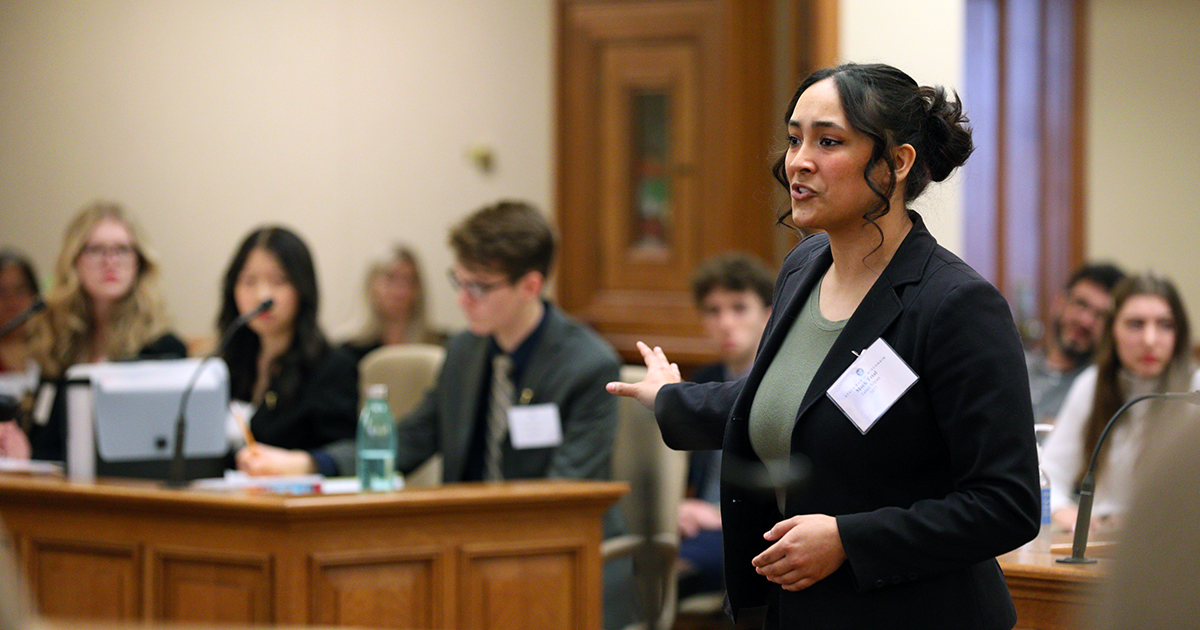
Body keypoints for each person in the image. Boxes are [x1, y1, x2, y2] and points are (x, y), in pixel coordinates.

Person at [609, 62, 1040, 629]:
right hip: (802, 610)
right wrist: (670, 398)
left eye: (828, 141)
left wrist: (848, 539)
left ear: (898, 163)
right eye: (794, 139)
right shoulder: (804, 267)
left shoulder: (955, 306)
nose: (799, 161)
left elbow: (1006, 505)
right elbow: (791, 403)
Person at [326, 200, 632, 629]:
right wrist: (315, 464)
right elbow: (412, 438)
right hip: (468, 558)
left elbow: (566, 495)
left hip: (559, 562)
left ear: (530, 285)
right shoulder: (465, 351)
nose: (462, 299)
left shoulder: (587, 365)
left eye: (480, 287)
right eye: (459, 281)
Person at [17, 202, 187, 462]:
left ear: (140, 262)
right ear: (74, 261)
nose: (110, 262)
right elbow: (42, 439)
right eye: (96, 250)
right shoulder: (60, 341)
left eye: (122, 250)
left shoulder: (162, 348)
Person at [1042, 273, 1198, 535]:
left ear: (1179, 333)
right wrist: (1063, 511)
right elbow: (1047, 475)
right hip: (1104, 542)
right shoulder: (1092, 385)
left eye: (1165, 325)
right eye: (1136, 324)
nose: (1150, 339)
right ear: (1112, 330)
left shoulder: (1196, 387)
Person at [218, 226, 359, 477]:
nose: (263, 296)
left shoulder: (333, 368)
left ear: (302, 288)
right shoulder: (223, 365)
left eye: (279, 281)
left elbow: (347, 454)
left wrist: (303, 463)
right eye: (249, 281)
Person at [678, 253, 774, 601]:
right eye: (713, 311)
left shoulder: (781, 386)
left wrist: (715, 516)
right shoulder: (704, 380)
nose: (725, 323)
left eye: (738, 308)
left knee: (666, 574)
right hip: (698, 526)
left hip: (754, 532)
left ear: (767, 314)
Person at [1026, 263, 1125, 424]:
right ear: (1059, 302)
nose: (1085, 321)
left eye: (1100, 315)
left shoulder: (1102, 389)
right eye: (1081, 304)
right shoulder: (1015, 367)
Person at [341, 245, 444, 364]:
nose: (401, 290)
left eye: (409, 280)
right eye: (391, 278)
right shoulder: (349, 351)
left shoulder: (439, 346)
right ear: (371, 285)